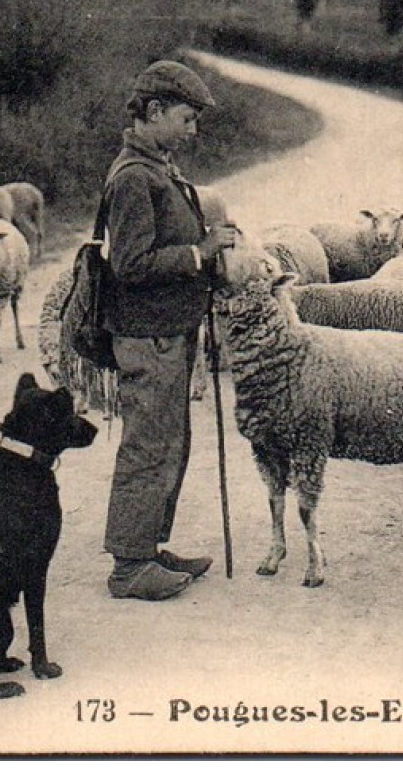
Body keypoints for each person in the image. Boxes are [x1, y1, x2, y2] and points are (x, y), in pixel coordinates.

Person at [99, 59, 239, 601]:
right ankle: (129, 567)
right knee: (148, 445)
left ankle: (148, 547)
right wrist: (199, 253)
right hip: (147, 335)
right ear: (154, 112)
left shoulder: (157, 168)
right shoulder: (135, 177)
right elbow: (130, 267)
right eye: (186, 119)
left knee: (169, 442)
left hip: (166, 331)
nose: (192, 130)